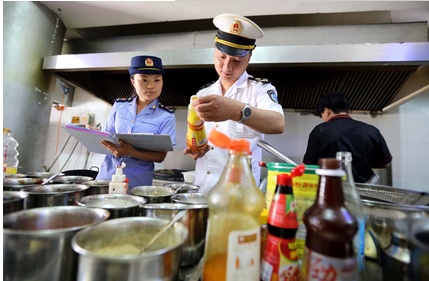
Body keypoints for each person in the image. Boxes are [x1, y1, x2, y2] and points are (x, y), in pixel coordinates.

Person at [183, 14, 285, 193]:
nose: (227, 66)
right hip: (202, 191)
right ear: (215, 50)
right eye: (221, 57)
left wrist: (237, 111)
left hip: (239, 194)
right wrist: (197, 148)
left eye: (237, 61)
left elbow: (278, 124)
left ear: (249, 57)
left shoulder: (259, 89)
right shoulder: (203, 94)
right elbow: (199, 136)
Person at [87, 55, 176, 188]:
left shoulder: (166, 116)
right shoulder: (118, 106)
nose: (151, 85)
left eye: (157, 80)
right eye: (144, 80)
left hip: (137, 183)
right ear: (133, 82)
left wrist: (131, 152)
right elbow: (109, 138)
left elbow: (160, 156)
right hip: (107, 176)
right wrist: (96, 136)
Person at [303, 91, 392, 183]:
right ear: (348, 111)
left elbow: (310, 166)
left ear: (326, 111)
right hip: (363, 191)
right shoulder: (372, 131)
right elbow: (385, 163)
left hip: (330, 189)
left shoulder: (319, 130)